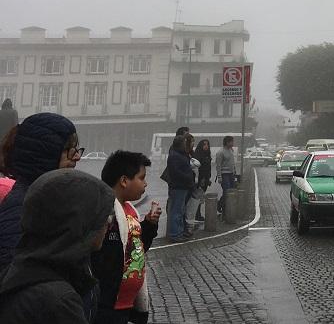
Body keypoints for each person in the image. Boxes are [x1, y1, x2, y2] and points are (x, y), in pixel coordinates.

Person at [0, 169, 114, 324]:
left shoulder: (18, 272)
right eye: (102, 216)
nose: (108, 222)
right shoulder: (60, 302)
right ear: (77, 224)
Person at [0, 113, 81, 277]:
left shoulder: (45, 200)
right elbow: (15, 282)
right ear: (44, 156)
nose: (77, 157)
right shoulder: (22, 210)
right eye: (69, 150)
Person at [92, 151, 160, 324]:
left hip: (128, 304)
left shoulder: (130, 211)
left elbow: (137, 249)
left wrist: (149, 224)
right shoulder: (105, 212)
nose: (145, 183)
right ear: (124, 181)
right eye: (141, 178)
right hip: (107, 305)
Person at [165, 135, 194, 242]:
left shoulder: (181, 154)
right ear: (180, 143)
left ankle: (179, 232)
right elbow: (175, 171)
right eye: (184, 142)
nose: (186, 144)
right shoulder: (175, 155)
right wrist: (188, 176)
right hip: (178, 187)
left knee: (180, 211)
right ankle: (174, 234)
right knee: (176, 211)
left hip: (183, 186)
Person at [190, 139, 212, 224]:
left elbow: (208, 168)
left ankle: (198, 214)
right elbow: (197, 169)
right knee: (197, 197)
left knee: (201, 197)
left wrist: (208, 179)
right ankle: (197, 214)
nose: (206, 146)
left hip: (205, 179)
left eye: (207, 144)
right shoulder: (198, 155)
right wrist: (201, 180)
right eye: (204, 145)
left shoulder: (207, 155)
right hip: (199, 180)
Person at [214, 136, 237, 216]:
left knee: (231, 191)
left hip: (231, 174)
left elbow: (232, 163)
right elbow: (218, 165)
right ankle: (222, 207)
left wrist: (234, 172)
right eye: (231, 142)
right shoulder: (220, 152)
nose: (233, 143)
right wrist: (219, 177)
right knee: (226, 191)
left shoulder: (231, 150)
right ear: (227, 142)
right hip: (224, 175)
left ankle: (222, 205)